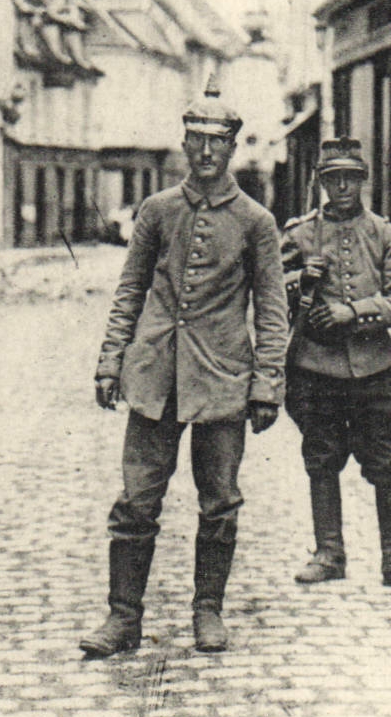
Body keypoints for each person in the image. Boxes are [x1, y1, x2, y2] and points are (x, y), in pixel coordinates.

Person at [81, 82, 288, 657]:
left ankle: (208, 610)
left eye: (216, 142)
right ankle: (123, 617)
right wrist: (110, 362)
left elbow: (272, 308)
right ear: (183, 142)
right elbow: (130, 290)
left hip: (222, 378)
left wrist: (267, 383)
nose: (205, 152)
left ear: (233, 148)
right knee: (136, 500)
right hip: (153, 377)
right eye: (195, 139)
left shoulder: (255, 222)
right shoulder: (157, 210)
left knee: (219, 499)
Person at [280, 138, 391, 594]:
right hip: (316, 368)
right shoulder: (300, 234)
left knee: (389, 462)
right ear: (321, 182)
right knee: (321, 458)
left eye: (350, 178)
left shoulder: (384, 234)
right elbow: (268, 289)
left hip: (374, 368)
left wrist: (355, 311)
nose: (342, 187)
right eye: (332, 178)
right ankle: (329, 551)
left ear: (363, 181)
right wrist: (301, 278)